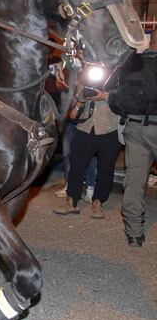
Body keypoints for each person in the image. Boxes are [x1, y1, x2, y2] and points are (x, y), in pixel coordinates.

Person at [107, 32, 157, 247]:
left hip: (135, 127)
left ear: (150, 41)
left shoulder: (130, 63)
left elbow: (112, 96)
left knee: (135, 181)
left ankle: (134, 233)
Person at [53, 72, 121, 219]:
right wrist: (81, 99)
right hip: (84, 128)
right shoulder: (85, 79)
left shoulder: (118, 79)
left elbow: (125, 103)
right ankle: (71, 201)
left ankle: (98, 202)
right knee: (76, 166)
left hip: (109, 129)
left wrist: (105, 96)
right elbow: (72, 113)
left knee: (106, 169)